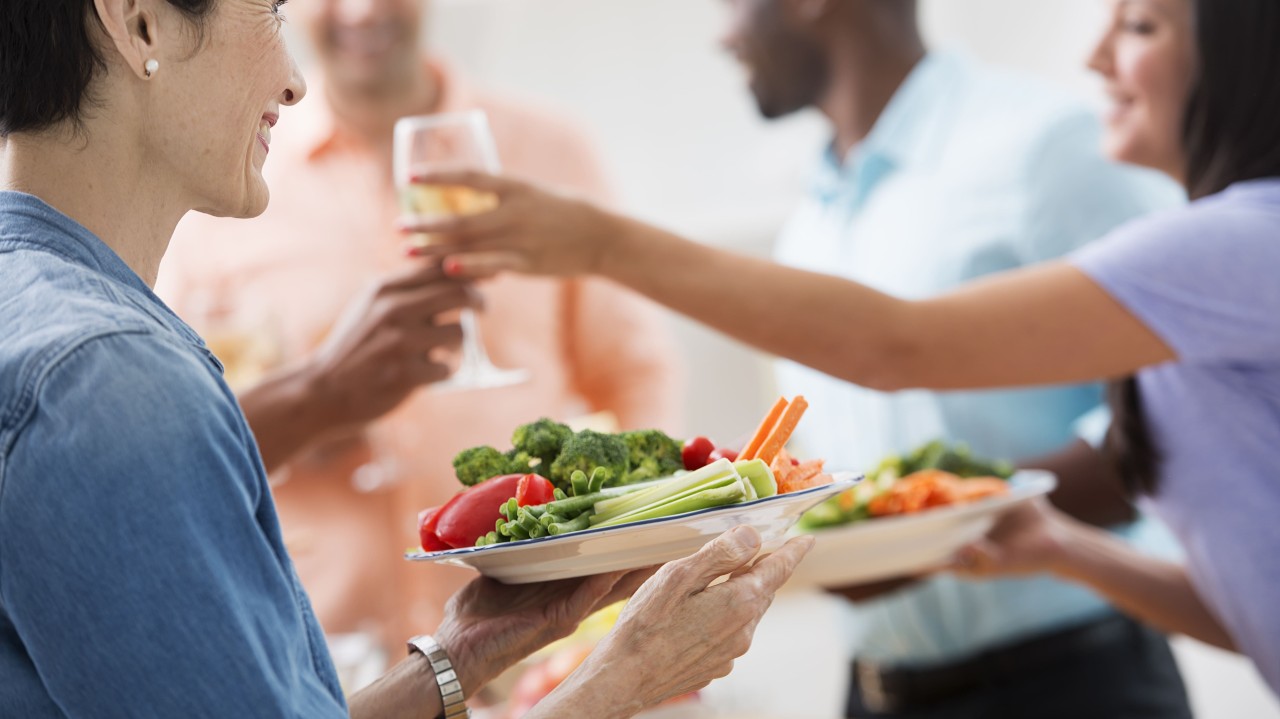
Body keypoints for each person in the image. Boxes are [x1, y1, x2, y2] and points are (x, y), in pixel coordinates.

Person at [409, 0, 1280, 695]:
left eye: (1141, 25)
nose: (1094, 58)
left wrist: (600, 242)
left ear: (1239, 56)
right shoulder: (819, 207)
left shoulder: (1230, 240)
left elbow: (896, 346)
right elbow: (1251, 607)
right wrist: (1057, 543)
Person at [0, 1, 811, 717]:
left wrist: (456, 657)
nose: (293, 81)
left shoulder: (47, 319)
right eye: (270, 8)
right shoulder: (110, 375)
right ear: (139, 21)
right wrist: (622, 679)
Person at [155, 0, 683, 658]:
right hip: (322, 652)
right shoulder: (224, 175)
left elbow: (633, 374)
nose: (361, 10)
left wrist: (638, 576)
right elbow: (178, 444)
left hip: (537, 640)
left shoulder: (548, 150)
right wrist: (308, 409)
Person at [710, 1, 1194, 716]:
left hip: (1068, 684)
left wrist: (926, 524)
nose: (723, 34)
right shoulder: (811, 221)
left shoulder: (1047, 148)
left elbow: (1184, 410)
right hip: (875, 690)